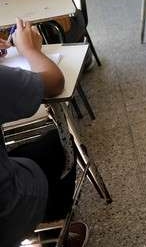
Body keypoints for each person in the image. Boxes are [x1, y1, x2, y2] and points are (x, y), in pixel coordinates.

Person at [0, 19, 88, 246]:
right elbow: (55, 82)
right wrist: (30, 50)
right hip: (7, 212)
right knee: (61, 143)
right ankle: (51, 231)